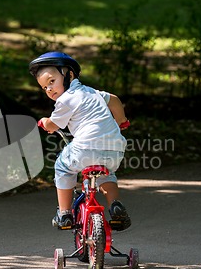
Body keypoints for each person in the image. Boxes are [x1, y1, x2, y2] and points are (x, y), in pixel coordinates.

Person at [30, 51, 131, 231]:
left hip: (85, 147)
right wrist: (121, 122)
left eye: (51, 81)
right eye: (44, 87)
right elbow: (114, 100)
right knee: (106, 173)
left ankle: (64, 213)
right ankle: (115, 205)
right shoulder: (94, 93)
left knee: (62, 167)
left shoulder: (66, 100)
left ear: (69, 75)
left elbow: (54, 125)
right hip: (114, 148)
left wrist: (45, 122)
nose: (49, 89)